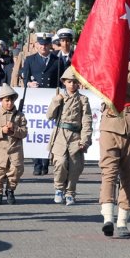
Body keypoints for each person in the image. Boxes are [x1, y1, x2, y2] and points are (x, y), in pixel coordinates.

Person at [98, 59, 130, 238]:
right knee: (109, 172)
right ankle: (108, 218)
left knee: (129, 175)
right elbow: (97, 87)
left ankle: (122, 221)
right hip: (110, 123)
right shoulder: (106, 65)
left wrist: (126, 86)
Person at [47, 67, 92, 205]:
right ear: (64, 82)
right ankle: (59, 188)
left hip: (75, 135)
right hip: (60, 134)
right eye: (69, 82)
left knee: (75, 166)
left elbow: (87, 120)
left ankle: (70, 192)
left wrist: (85, 139)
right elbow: (50, 116)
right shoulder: (59, 97)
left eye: (74, 82)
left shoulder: (83, 99)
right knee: (59, 162)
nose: (72, 84)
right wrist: (56, 101)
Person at [21, 32, 61, 175]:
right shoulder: (30, 59)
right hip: (36, 100)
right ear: (37, 45)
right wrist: (29, 83)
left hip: (51, 100)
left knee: (48, 131)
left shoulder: (57, 60)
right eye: (41, 44)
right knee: (37, 131)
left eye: (46, 44)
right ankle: (37, 164)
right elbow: (24, 77)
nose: (43, 47)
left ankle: (45, 162)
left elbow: (62, 80)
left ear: (50, 45)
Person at [0, 83, 28, 204]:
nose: (9, 103)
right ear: (0, 100)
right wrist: (1, 131)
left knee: (15, 173)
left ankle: (10, 191)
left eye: (12, 100)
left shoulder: (20, 116)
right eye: (6, 100)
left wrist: (14, 128)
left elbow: (24, 132)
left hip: (14, 150)